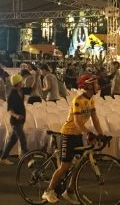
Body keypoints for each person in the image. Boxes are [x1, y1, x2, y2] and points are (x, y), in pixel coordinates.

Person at [42, 74, 106, 204]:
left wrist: (101, 135)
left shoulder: (91, 100)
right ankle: (48, 191)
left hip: (77, 135)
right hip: (68, 134)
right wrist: (88, 133)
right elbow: (77, 121)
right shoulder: (78, 100)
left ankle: (69, 191)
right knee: (65, 165)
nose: (98, 86)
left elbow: (95, 120)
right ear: (89, 86)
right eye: (96, 84)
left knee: (79, 163)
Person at [0, 73, 28, 165]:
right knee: (22, 139)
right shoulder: (11, 95)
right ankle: (29, 159)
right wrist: (16, 115)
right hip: (15, 122)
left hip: (21, 120)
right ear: (18, 83)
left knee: (12, 141)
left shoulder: (21, 91)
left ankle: (3, 158)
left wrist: (36, 77)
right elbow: (10, 110)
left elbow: (32, 89)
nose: (23, 83)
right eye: (21, 82)